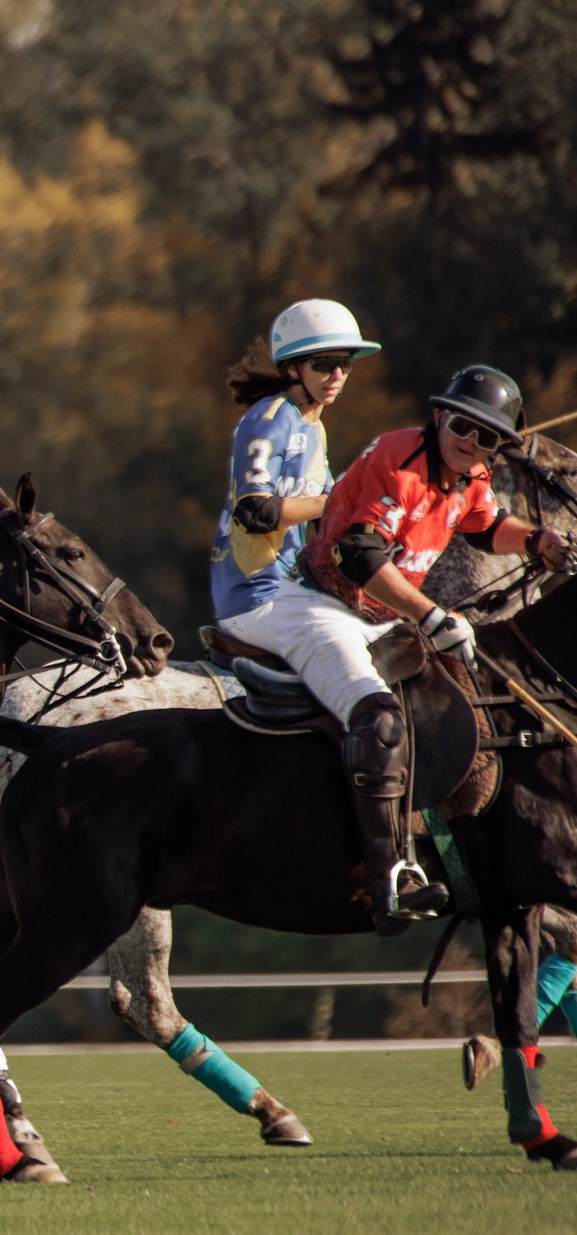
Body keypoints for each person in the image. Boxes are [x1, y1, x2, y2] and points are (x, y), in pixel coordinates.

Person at [224, 364, 567, 930]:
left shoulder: (471, 475)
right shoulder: (399, 460)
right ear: (440, 416)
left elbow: (485, 526)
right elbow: (360, 557)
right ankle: (392, 877)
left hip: (381, 619)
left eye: (487, 437)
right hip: (321, 608)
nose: (471, 443)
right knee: (380, 719)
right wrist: (431, 614)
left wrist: (534, 541)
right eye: (464, 427)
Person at [211, 300, 377, 633]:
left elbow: (328, 517)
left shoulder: (315, 427)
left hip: (290, 590)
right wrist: (339, 501)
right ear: (291, 369)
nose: (337, 375)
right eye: (324, 364)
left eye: (345, 364)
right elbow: (255, 513)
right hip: (253, 594)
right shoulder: (269, 420)